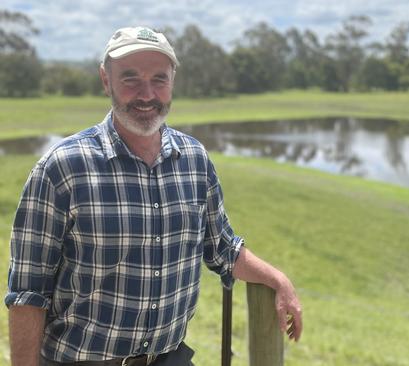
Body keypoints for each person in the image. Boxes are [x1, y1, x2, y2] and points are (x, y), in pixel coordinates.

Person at [5, 26, 302, 366]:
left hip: (169, 358)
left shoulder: (194, 159)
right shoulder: (61, 169)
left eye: (159, 79)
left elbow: (222, 249)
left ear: (172, 81)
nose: (147, 94)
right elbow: (28, 293)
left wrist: (278, 280)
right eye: (130, 78)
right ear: (106, 80)